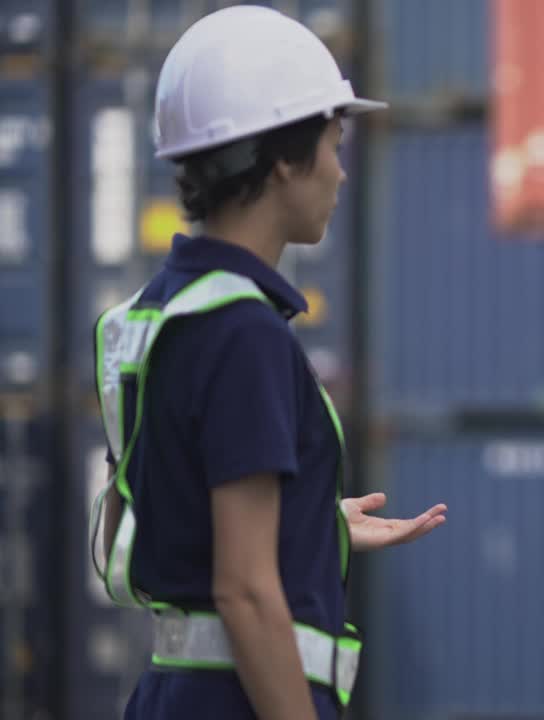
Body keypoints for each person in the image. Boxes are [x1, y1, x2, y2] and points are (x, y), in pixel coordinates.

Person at [89, 6, 446, 718]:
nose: (342, 174)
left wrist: (313, 521)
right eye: (334, 144)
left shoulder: (146, 318)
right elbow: (245, 591)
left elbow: (134, 531)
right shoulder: (242, 330)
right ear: (284, 160)